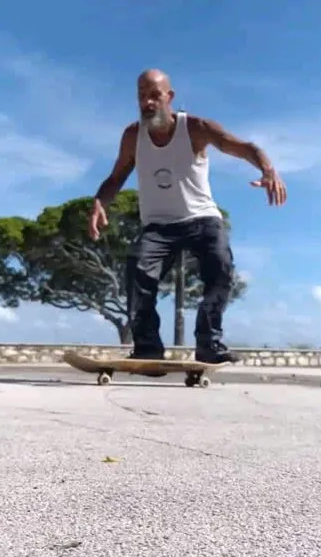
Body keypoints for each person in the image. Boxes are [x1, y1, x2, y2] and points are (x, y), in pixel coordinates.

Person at [88, 69, 287, 364]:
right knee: (137, 269)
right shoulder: (133, 136)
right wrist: (99, 202)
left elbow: (244, 147)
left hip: (201, 219)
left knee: (220, 267)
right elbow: (116, 177)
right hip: (158, 225)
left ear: (170, 97)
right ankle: (147, 348)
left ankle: (209, 343)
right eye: (142, 96)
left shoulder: (195, 128)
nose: (148, 103)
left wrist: (267, 169)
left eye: (155, 95)